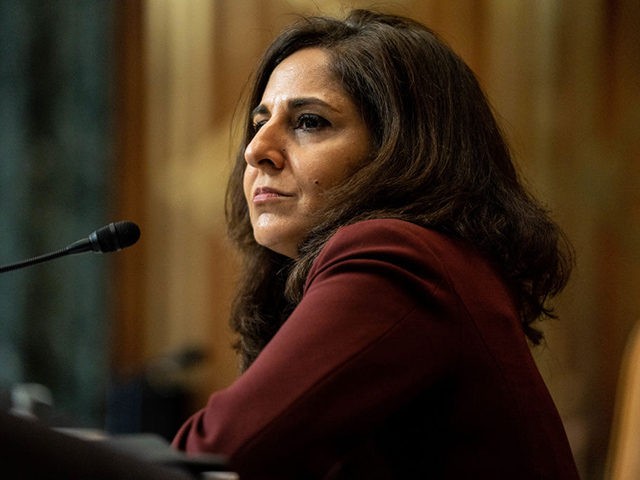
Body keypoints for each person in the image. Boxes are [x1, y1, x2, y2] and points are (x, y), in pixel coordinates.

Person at [172, 9, 579, 479]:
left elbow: (216, 455)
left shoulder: (396, 256)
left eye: (308, 121)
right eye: (260, 122)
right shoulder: (435, 258)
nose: (255, 149)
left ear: (401, 151)